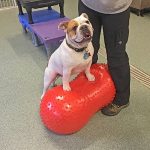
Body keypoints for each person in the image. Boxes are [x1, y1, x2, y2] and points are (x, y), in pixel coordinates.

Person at [78, 0, 132, 116]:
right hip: (88, 5)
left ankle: (122, 99)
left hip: (116, 9)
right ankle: (86, 88)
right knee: (87, 49)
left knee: (116, 54)